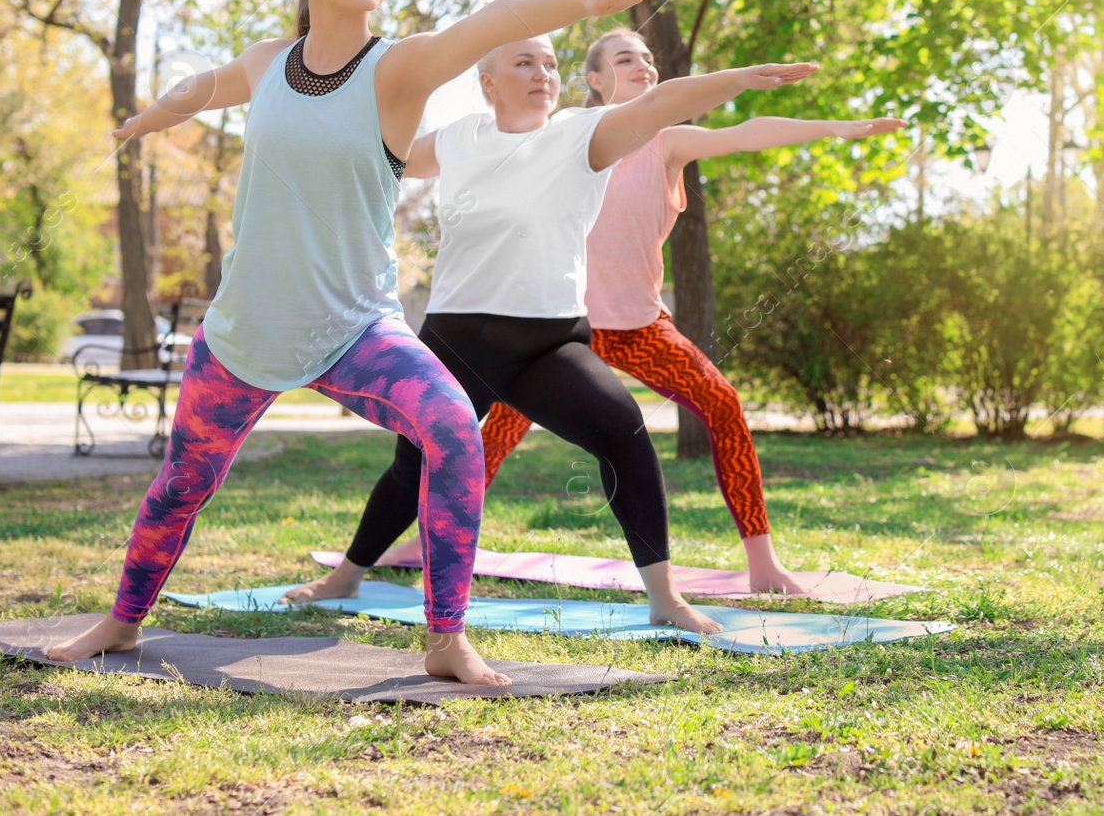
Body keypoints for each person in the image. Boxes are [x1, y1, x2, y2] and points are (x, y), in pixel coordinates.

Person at [42, 0, 666, 684]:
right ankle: (122, 623)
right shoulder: (270, 62)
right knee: (181, 485)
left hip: (354, 329)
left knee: (450, 429)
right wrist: (150, 118)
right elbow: (205, 86)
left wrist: (598, 1)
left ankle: (447, 637)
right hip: (245, 331)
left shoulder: (397, 68)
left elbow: (494, 20)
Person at [281, 33, 821, 632]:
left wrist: (739, 78)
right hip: (458, 342)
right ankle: (349, 573)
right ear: (488, 82)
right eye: (523, 63)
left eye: (549, 64)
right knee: (413, 466)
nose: (542, 73)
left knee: (625, 433)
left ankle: (665, 599)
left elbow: (661, 102)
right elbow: (378, 158)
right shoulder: (461, 138)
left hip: (549, 343)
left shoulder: (582, 135)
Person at [376, 28, 906, 593]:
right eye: (626, 58)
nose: (645, 66)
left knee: (723, 406)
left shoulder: (664, 141)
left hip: (636, 329)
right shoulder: (555, 137)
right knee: (487, 437)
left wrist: (839, 129)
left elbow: (746, 133)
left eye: (650, 58)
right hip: (552, 339)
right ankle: (419, 539)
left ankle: (763, 562)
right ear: (595, 80)